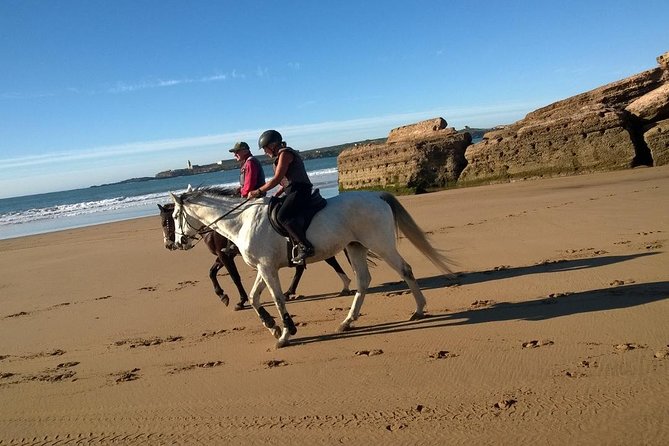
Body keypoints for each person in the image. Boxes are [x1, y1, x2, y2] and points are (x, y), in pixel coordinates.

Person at [248, 130, 315, 264]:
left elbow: (277, 178)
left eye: (265, 148)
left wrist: (257, 191)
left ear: (272, 145)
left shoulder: (285, 154)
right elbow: (284, 181)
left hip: (300, 190)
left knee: (282, 216)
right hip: (292, 190)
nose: (264, 152)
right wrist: (276, 194)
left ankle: (306, 246)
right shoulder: (280, 156)